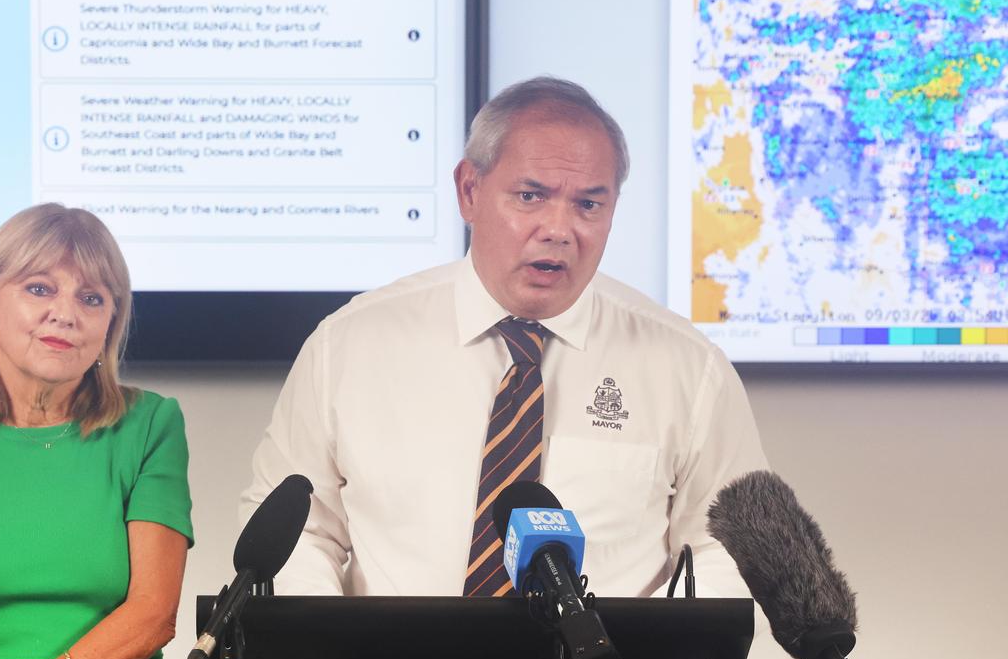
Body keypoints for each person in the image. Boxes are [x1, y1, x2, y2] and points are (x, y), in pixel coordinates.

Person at [242, 76, 768, 599]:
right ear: (469, 191)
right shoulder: (349, 346)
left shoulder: (688, 368)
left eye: (589, 205)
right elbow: (297, 532)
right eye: (530, 196)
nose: (559, 229)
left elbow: (728, 552)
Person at [0, 204, 192, 659]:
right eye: (39, 288)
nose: (64, 314)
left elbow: (153, 615)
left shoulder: (151, 424)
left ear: (110, 323)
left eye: (91, 298)